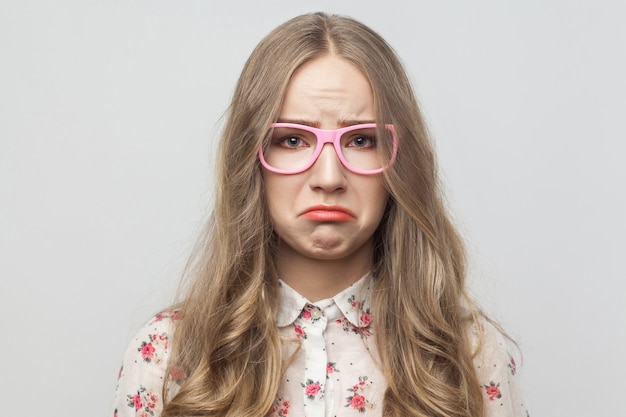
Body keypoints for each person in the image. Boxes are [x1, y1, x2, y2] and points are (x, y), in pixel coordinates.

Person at [112, 12, 528, 417]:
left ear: (401, 162)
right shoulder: (166, 353)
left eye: (362, 140)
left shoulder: (469, 352)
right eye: (292, 139)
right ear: (250, 157)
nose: (329, 177)